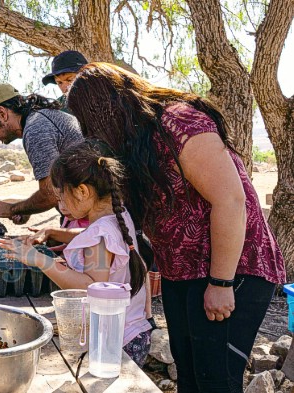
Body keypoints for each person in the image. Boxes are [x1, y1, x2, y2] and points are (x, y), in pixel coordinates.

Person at [66, 62, 286, 392]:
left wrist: (221, 282)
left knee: (217, 380)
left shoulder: (178, 122)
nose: (89, 131)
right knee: (191, 379)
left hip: (233, 269)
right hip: (182, 274)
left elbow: (230, 202)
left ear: (106, 109)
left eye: (87, 120)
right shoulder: (134, 144)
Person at [0, 140, 152, 366]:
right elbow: (92, 236)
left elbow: (90, 287)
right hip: (133, 330)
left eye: (61, 197)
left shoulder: (99, 236)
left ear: (82, 191)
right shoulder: (117, 216)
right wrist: (53, 232)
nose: (61, 206)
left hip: (116, 343)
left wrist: (39, 260)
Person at [0, 84, 82, 224]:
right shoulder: (41, 118)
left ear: (2, 114)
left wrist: (12, 209)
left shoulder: (35, 128)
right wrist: (26, 209)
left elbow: (51, 194)